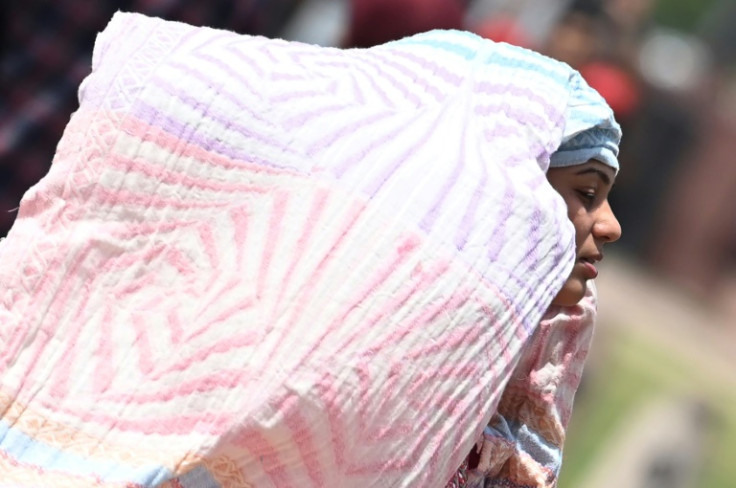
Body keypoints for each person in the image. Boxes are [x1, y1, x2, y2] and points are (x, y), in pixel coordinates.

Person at [0, 11, 621, 487]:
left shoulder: (493, 375)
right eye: (585, 192)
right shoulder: (312, 378)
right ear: (484, 200)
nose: (611, 225)